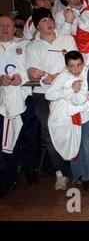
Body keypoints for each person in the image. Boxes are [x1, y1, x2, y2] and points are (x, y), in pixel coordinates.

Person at [25, 7, 78, 190]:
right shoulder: (32, 46)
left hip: (67, 90)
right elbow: (32, 72)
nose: (49, 22)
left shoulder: (67, 39)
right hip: (42, 94)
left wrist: (57, 77)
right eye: (44, 21)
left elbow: (76, 65)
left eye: (50, 19)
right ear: (37, 25)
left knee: (72, 130)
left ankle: (76, 170)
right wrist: (32, 72)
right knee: (49, 133)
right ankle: (60, 173)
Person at [45, 51, 89, 190]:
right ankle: (79, 175)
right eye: (72, 66)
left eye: (79, 65)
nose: (76, 69)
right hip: (72, 116)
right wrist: (70, 90)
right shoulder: (63, 76)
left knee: (86, 140)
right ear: (67, 66)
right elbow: (49, 94)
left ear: (83, 62)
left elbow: (80, 100)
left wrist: (65, 95)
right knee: (74, 141)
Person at [0, 16, 40, 197]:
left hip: (25, 97)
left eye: (7, 25)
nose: (4, 28)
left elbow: (33, 68)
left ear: (14, 28)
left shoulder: (25, 45)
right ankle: (9, 176)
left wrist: (22, 78)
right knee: (7, 140)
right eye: (0, 26)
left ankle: (31, 169)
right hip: (3, 102)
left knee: (30, 135)